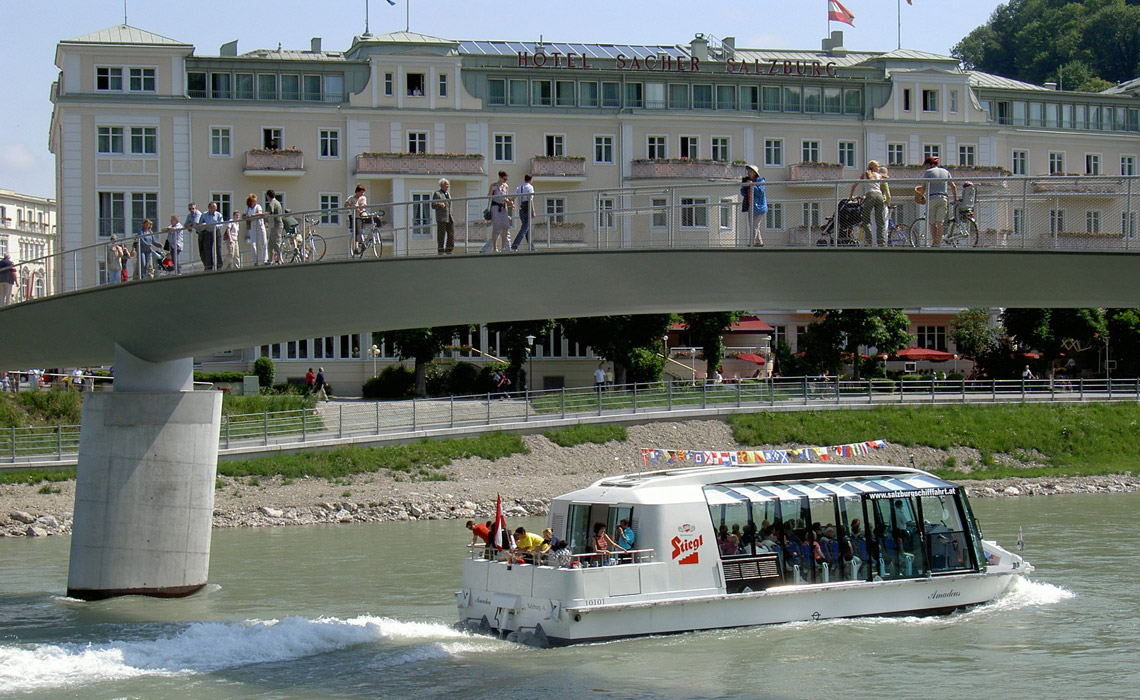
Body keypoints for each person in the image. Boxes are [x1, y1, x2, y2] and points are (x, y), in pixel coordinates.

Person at [917, 156, 957, 246]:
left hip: (932, 198)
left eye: (927, 165)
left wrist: (921, 196)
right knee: (940, 222)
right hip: (943, 198)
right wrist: (955, 199)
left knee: (932, 222)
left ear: (930, 165)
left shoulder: (928, 172)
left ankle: (934, 242)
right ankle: (938, 244)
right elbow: (953, 186)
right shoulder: (946, 172)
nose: (926, 167)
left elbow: (924, 187)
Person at [850, 160, 889, 246]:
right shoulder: (879, 176)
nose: (878, 168)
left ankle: (869, 239)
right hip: (879, 196)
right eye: (877, 167)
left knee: (866, 219)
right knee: (880, 220)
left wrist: (851, 196)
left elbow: (854, 185)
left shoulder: (864, 175)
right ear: (874, 167)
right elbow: (884, 185)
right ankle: (881, 241)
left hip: (870, 195)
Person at [486, 171, 512, 252]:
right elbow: (489, 196)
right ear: (500, 178)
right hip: (495, 207)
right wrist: (492, 191)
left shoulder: (506, 186)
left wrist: (510, 203)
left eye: (506, 179)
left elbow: (505, 198)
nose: (505, 181)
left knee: (505, 226)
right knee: (496, 228)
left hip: (503, 208)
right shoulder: (494, 185)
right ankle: (495, 247)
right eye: (504, 179)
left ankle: (503, 247)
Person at [741, 164, 765, 246]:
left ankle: (752, 243)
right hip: (750, 206)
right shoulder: (747, 180)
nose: (748, 173)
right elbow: (742, 192)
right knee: (753, 225)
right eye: (748, 171)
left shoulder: (760, 181)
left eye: (750, 171)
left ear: (755, 173)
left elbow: (760, 192)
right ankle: (759, 242)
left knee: (754, 225)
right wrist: (745, 185)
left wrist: (752, 185)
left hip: (759, 207)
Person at [511, 174, 535, 251]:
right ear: (531, 180)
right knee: (525, 228)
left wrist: (513, 205)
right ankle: (515, 245)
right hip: (527, 209)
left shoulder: (519, 188)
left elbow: (513, 198)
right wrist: (533, 210)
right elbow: (530, 199)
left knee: (526, 229)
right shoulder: (530, 187)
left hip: (521, 209)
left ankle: (532, 247)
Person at [198, 203, 225, 271]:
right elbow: (200, 224)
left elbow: (221, 223)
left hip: (216, 232)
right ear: (209, 207)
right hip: (207, 232)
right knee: (207, 250)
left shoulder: (218, 214)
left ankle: (219, 266)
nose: (214, 209)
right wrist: (203, 225)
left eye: (215, 207)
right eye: (212, 207)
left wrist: (216, 226)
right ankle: (209, 266)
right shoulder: (204, 215)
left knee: (218, 249)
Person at [431, 178, 455, 255]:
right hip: (442, 218)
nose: (448, 186)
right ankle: (441, 251)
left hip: (449, 217)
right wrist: (439, 204)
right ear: (442, 185)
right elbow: (433, 205)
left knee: (451, 234)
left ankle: (449, 250)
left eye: (448, 184)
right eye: (446, 184)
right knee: (441, 235)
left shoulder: (448, 194)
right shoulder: (437, 194)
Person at [246, 193, 267, 266]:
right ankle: (255, 261)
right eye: (254, 201)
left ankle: (265, 260)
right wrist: (247, 217)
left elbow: (260, 213)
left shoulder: (258, 206)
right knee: (253, 244)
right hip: (253, 226)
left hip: (260, 225)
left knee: (263, 243)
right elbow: (244, 215)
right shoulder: (248, 208)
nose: (255, 202)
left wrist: (255, 215)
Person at [347, 184, 368, 255]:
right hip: (356, 217)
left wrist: (357, 207)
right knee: (357, 231)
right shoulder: (351, 198)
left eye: (363, 192)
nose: (362, 194)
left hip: (363, 216)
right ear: (357, 192)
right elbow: (346, 204)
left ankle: (366, 240)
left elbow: (362, 205)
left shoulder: (363, 198)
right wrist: (351, 205)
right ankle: (356, 247)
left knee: (361, 231)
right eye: (361, 192)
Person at [265, 190, 284, 264]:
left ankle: (279, 259)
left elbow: (268, 213)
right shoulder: (277, 202)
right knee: (271, 243)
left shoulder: (272, 203)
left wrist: (259, 215)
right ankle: (271, 259)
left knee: (276, 242)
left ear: (268, 196)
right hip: (274, 225)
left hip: (276, 225)